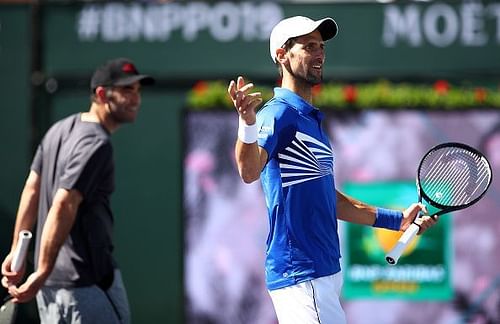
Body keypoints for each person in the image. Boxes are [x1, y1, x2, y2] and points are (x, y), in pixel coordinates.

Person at [227, 16, 438, 323]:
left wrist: (398, 222)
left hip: (323, 271)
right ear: (282, 55)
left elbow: (332, 200)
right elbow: (249, 171)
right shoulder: (279, 114)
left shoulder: (310, 121)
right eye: (308, 46)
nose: (319, 53)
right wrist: (247, 124)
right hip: (301, 272)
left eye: (321, 46)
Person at [1, 58, 154, 324]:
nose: (136, 99)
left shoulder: (58, 130)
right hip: (86, 284)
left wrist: (19, 251)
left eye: (138, 91)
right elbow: (64, 203)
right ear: (102, 94)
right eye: (127, 90)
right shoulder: (97, 143)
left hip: (50, 288)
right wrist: (42, 269)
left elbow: (32, 188)